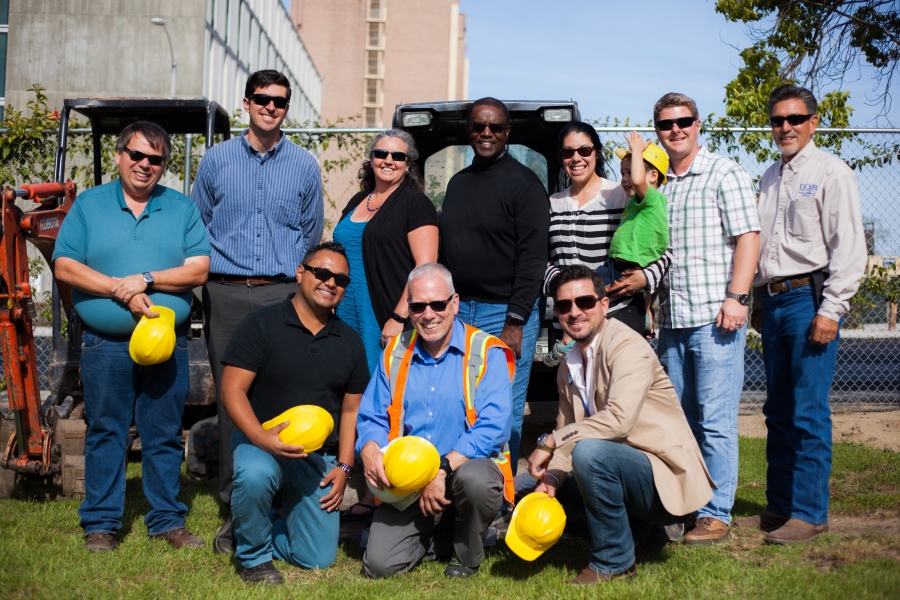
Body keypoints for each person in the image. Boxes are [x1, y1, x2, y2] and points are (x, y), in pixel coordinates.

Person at [53, 121, 211, 552]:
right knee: (107, 430)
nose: (145, 165)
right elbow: (65, 266)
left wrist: (146, 279)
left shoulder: (180, 207)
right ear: (121, 155)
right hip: (106, 344)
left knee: (162, 432)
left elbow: (198, 269)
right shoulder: (90, 204)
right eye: (137, 155)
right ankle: (101, 524)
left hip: (166, 341)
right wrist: (118, 288)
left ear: (164, 166)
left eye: (155, 159)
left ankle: (166, 521)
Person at [191, 69, 324, 553]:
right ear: (246, 103)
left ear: (287, 108)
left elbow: (312, 235)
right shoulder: (216, 161)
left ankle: (284, 501)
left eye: (280, 101)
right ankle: (235, 507)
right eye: (263, 99)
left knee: (284, 396)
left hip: (282, 293)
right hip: (225, 293)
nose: (271, 107)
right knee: (234, 402)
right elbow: (198, 223)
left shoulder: (305, 166)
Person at [523, 265, 713, 584]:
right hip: (615, 470)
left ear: (604, 304)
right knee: (528, 490)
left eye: (584, 301)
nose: (575, 311)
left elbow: (618, 421)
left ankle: (614, 561)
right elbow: (569, 429)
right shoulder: (568, 365)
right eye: (564, 305)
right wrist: (554, 476)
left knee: (590, 454)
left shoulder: (628, 346)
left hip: (662, 475)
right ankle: (639, 531)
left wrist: (552, 440)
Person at [735, 86, 867, 544]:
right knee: (778, 409)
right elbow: (761, 244)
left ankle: (810, 513)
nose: (784, 127)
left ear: (813, 121)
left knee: (809, 410)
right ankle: (779, 507)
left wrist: (832, 309)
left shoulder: (832, 172)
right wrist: (754, 297)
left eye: (794, 118)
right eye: (776, 120)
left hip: (811, 299)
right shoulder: (770, 176)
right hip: (773, 302)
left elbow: (849, 247)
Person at [642, 92, 760, 545]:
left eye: (684, 121)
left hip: (716, 319)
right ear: (657, 130)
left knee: (714, 420)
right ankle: (689, 503)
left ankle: (717, 512)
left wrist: (737, 297)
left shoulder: (724, 172)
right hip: (672, 320)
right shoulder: (659, 183)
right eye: (667, 123)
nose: (676, 129)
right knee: (682, 421)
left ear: (697, 124)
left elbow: (748, 238)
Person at [219, 242, 369, 584]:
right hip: (261, 443)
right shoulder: (261, 324)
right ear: (301, 273)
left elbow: (350, 411)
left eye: (341, 280)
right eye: (322, 273)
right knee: (255, 475)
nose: (331, 283)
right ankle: (254, 559)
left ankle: (251, 526)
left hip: (314, 457)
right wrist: (261, 438)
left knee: (316, 557)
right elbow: (232, 390)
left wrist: (345, 467)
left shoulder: (350, 341)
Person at [356, 263, 514, 579]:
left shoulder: (486, 351)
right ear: (409, 310)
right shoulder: (394, 352)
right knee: (379, 565)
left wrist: (442, 469)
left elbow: (494, 426)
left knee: (476, 482)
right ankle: (446, 534)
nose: (429, 315)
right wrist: (370, 448)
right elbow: (371, 415)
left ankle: (466, 551)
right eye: (418, 306)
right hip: (407, 482)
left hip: (462, 471)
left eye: (438, 304)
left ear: (454, 303)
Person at [439, 97, 549, 471]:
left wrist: (515, 320)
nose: (486, 133)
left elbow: (533, 258)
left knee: (501, 412)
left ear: (507, 133)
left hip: (504, 313)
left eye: (495, 127)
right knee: (460, 405)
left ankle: (501, 499)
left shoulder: (524, 184)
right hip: (458, 313)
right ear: (468, 130)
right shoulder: (458, 183)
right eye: (478, 126)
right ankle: (462, 491)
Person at [543, 122, 669, 365]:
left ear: (597, 153)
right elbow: (540, 258)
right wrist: (559, 286)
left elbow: (661, 246)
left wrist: (646, 278)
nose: (576, 158)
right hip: (572, 315)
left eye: (584, 151)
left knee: (614, 385)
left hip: (618, 311)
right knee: (575, 393)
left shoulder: (623, 195)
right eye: (568, 152)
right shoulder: (552, 203)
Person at [334, 129, 439, 372]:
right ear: (372, 159)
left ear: (408, 164)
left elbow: (424, 268)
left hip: (383, 315)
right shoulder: (357, 200)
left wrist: (398, 318)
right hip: (345, 311)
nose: (388, 160)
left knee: (383, 390)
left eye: (398, 156)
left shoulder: (415, 204)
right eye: (381, 153)